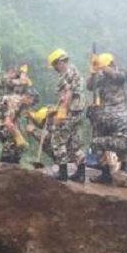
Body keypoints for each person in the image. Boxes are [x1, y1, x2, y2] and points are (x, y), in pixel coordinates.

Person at [85, 52, 127, 185]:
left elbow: (117, 76)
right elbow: (90, 86)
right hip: (108, 113)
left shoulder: (119, 73)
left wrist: (102, 67)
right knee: (102, 142)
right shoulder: (102, 76)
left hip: (117, 112)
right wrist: (93, 72)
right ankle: (105, 173)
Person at [0, 69, 40, 165]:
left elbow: (14, 122)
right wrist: (18, 136)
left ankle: (14, 163)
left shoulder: (21, 105)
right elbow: (8, 123)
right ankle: (5, 164)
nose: (31, 106)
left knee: (15, 141)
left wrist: (21, 140)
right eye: (32, 103)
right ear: (29, 97)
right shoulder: (16, 101)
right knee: (10, 136)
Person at [47, 49, 85, 182]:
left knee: (57, 138)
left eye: (55, 65)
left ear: (59, 62)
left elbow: (67, 94)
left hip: (69, 111)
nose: (55, 69)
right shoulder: (74, 70)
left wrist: (61, 113)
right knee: (75, 141)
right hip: (77, 111)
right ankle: (81, 173)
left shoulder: (66, 74)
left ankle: (62, 172)